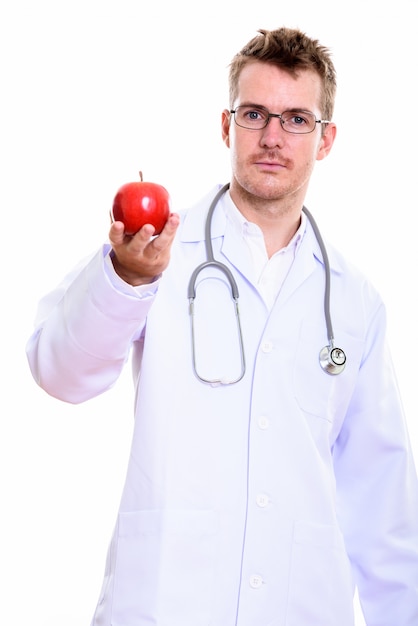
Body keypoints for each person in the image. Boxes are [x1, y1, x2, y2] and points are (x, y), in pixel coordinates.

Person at [26, 26, 418, 626]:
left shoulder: (355, 301)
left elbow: (383, 503)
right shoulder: (154, 250)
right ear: (226, 126)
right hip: (164, 604)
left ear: (327, 138)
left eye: (296, 119)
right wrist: (128, 281)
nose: (271, 137)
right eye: (254, 113)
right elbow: (60, 371)